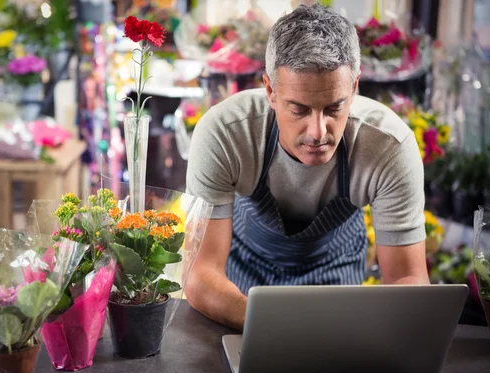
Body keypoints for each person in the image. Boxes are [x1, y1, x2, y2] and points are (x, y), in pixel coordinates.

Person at [184, 4, 430, 331]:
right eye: (299, 109)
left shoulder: (389, 146)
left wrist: (340, 329)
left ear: (354, 87)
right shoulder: (226, 133)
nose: (318, 132)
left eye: (334, 108)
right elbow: (200, 273)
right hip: (240, 277)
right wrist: (271, 325)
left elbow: (409, 279)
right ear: (270, 90)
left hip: (337, 276)